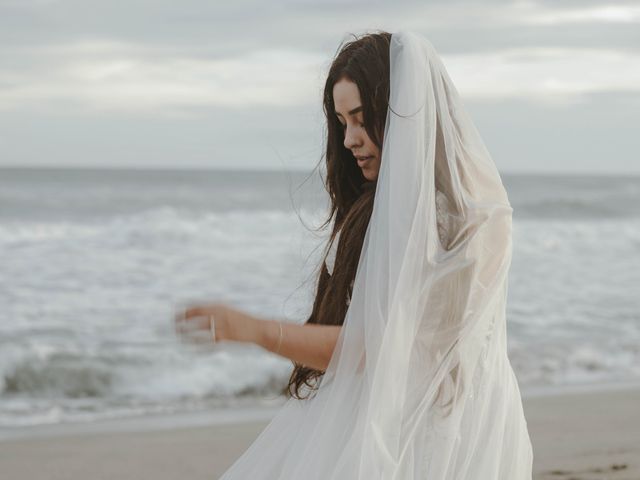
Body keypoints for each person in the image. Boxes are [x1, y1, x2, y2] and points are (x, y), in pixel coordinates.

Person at [175, 29, 534, 479]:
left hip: (422, 429)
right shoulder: (426, 207)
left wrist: (254, 329)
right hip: (431, 415)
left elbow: (371, 348)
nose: (349, 140)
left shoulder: (442, 222)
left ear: (403, 115)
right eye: (343, 121)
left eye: (362, 119)